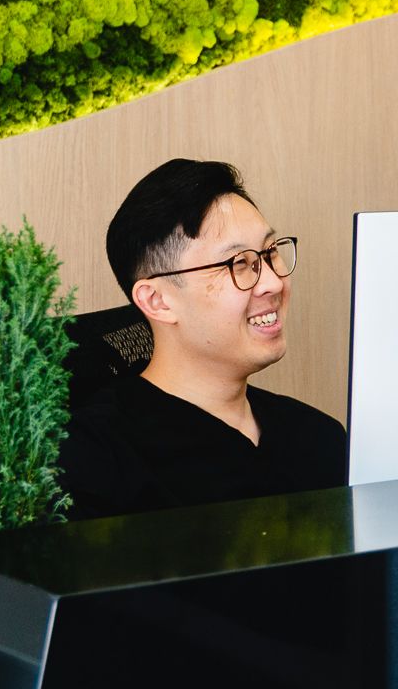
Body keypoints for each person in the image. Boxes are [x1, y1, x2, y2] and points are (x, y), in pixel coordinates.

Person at [55, 158, 350, 521]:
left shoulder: (319, 437)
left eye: (270, 252)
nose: (273, 282)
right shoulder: (93, 460)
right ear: (157, 301)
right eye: (239, 263)